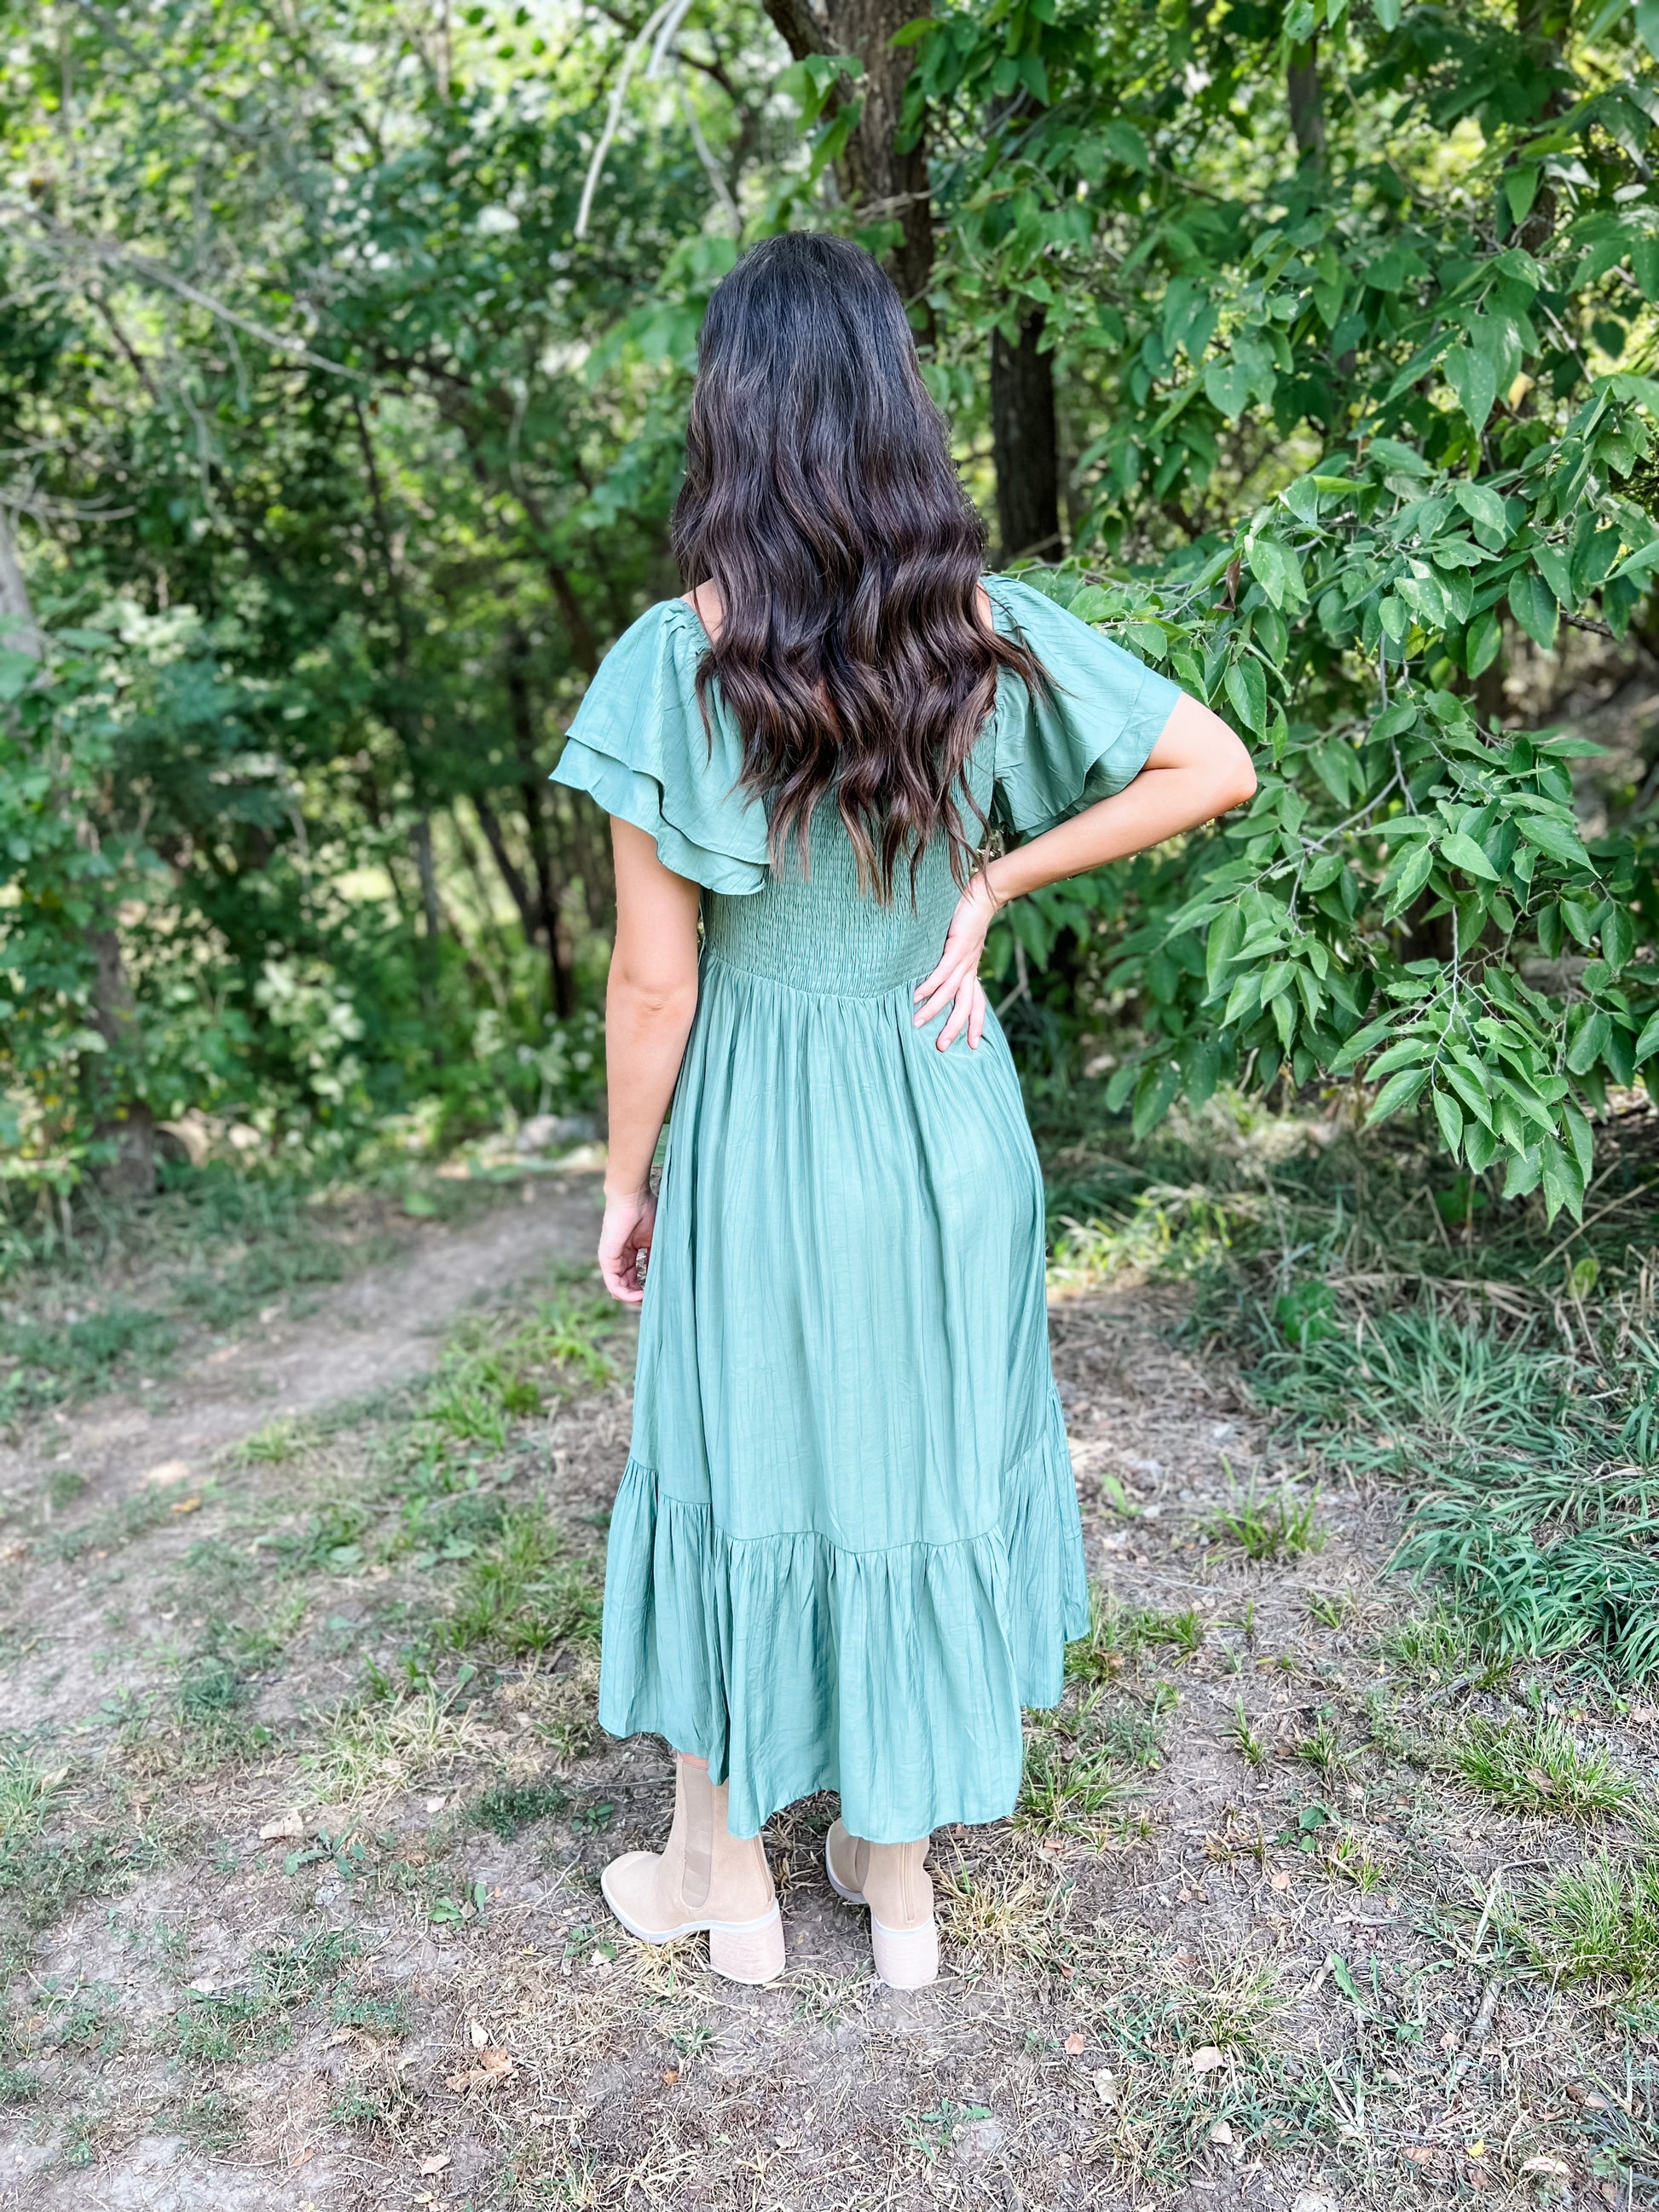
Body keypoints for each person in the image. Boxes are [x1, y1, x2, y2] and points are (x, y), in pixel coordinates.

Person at [550, 233, 1256, 1990]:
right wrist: (993, 878)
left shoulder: (673, 661)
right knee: (922, 1460)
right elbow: (1214, 764)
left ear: (729, 415)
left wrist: (624, 1182)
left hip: (767, 1133)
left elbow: (654, 986)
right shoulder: (975, 630)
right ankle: (895, 1873)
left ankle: (723, 1881)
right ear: (895, 408)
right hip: (943, 1110)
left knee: (736, 1464)